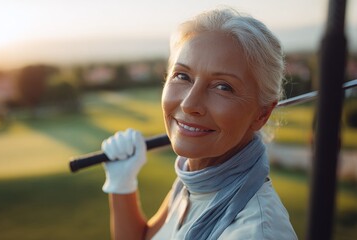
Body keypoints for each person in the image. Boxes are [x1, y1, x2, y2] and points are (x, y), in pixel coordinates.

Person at [100, 8, 298, 240]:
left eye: (223, 86)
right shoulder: (192, 179)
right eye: (182, 76)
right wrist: (121, 185)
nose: (189, 103)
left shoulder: (256, 233)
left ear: (262, 115)